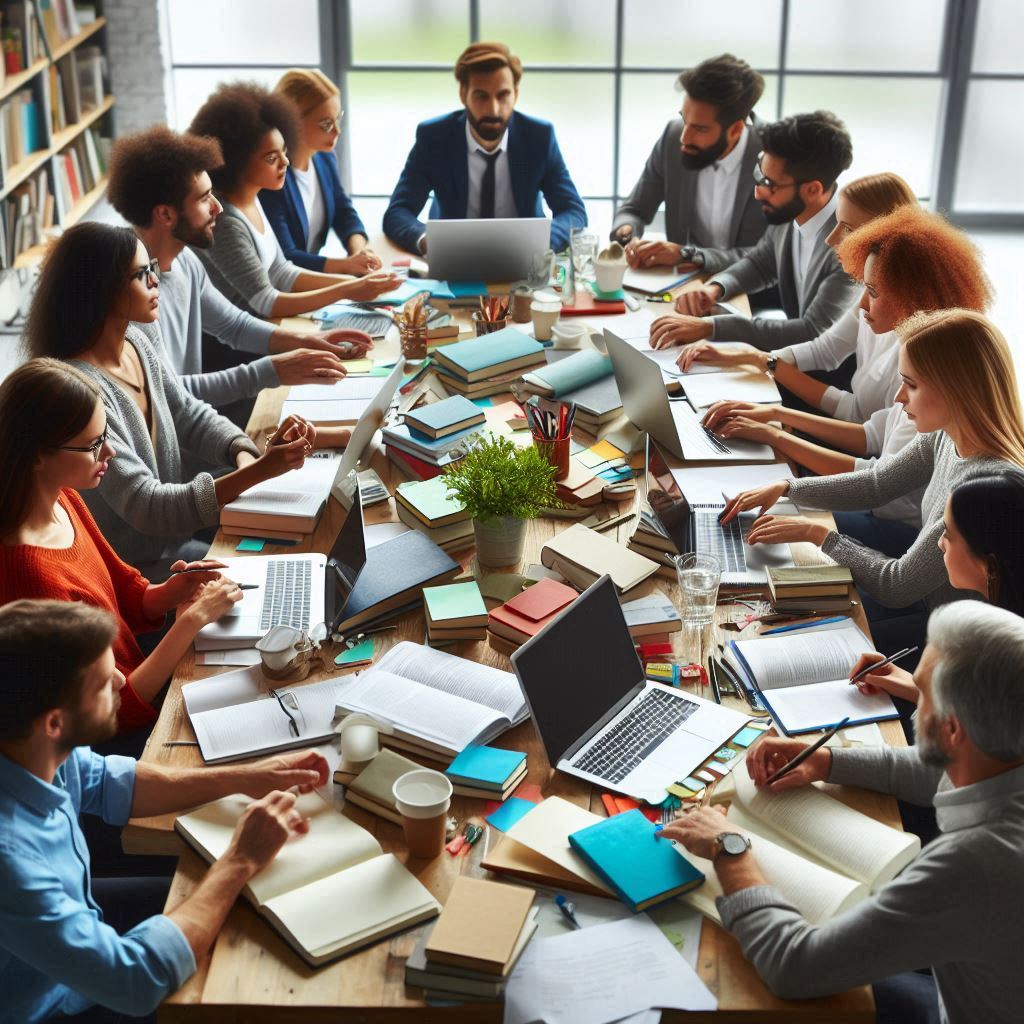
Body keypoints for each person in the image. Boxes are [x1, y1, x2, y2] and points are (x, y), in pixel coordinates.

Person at [661, 599, 1024, 1024]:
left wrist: (730, 848)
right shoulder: (1000, 754)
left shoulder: (978, 864)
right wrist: (828, 761)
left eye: (921, 692)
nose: (913, 695)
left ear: (952, 729)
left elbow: (794, 966)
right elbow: (944, 768)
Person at [0, 598, 330, 1024]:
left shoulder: (31, 749)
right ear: (54, 722)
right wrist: (239, 860)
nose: (121, 681)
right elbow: (135, 981)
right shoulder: (10, 862)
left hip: (70, 946)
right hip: (53, 1010)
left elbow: (113, 783)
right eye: (103, 682)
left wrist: (247, 776)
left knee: (244, 908)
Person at [719, 308, 1024, 657]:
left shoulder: (981, 489)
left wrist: (818, 534)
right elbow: (878, 483)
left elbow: (895, 585)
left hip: (961, 644)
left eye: (910, 384)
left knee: (798, 631)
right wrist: (788, 488)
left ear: (956, 390)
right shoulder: (945, 435)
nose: (898, 397)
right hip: (931, 609)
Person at [22, 222, 318, 580]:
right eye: (141, 274)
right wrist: (259, 470)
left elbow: (187, 413)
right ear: (101, 289)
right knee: (275, 564)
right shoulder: (82, 389)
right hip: (139, 567)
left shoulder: (136, 341)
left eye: (153, 269)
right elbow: (148, 505)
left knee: (298, 531)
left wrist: (242, 451)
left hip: (173, 537)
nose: (155, 281)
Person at [690, 205, 992, 535]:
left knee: (751, 519)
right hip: (876, 503)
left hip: (892, 525)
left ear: (913, 295)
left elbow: (878, 485)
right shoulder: (910, 350)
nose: (862, 303)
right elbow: (872, 435)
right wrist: (775, 415)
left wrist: (776, 432)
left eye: (873, 292)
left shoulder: (926, 378)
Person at [0, 358, 247, 734]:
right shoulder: (33, 578)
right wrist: (191, 621)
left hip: (141, 676)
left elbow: (121, 592)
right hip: (120, 731)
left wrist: (166, 594)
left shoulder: (63, 498)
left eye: (105, 437)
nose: (109, 454)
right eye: (93, 444)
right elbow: (117, 711)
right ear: (37, 455)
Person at [105, 125, 375, 411]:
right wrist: (274, 370)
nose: (217, 208)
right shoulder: (131, 293)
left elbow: (232, 324)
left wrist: (311, 340)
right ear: (165, 214)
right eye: (204, 198)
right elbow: (166, 392)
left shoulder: (185, 260)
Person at [649, 110, 858, 352]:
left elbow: (811, 332)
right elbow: (761, 263)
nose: (758, 192)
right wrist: (715, 289)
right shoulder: (791, 212)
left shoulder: (850, 246)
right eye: (760, 175)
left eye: (769, 184)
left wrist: (711, 327)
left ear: (812, 190)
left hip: (829, 381)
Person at [188, 82, 399, 318]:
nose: (285, 162)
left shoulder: (252, 199)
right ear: (238, 162)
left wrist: (356, 283)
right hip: (238, 347)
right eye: (271, 158)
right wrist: (349, 288)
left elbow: (282, 271)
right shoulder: (225, 221)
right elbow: (266, 302)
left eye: (284, 151)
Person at [382, 41, 587, 255]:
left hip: (526, 266)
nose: (494, 109)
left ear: (515, 93)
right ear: (463, 94)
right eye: (481, 96)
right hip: (454, 260)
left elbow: (573, 211)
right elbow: (398, 212)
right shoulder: (434, 138)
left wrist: (542, 243)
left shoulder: (538, 137)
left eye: (503, 95)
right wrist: (426, 240)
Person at [853, 470, 1024, 704]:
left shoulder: (1006, 652)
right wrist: (903, 680)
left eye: (948, 534)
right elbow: (964, 711)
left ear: (988, 564)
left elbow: (968, 732)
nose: (939, 543)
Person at [612, 53, 768, 276]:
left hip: (751, 295)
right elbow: (633, 210)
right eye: (684, 119)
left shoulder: (775, 156)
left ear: (735, 130)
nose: (684, 138)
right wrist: (628, 234)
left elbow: (770, 258)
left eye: (700, 128)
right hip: (683, 285)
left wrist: (690, 254)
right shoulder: (672, 138)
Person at [264, 68, 383, 275]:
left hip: (312, 283)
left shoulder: (324, 158)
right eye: (326, 124)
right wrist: (346, 266)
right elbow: (285, 257)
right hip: (285, 292)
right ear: (293, 123)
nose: (337, 131)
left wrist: (360, 251)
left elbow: (343, 211)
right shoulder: (271, 175)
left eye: (338, 118)